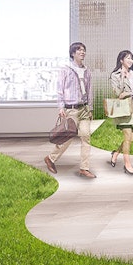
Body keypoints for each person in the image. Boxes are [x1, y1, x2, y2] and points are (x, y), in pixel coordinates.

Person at [45, 41, 95, 179]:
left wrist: (90, 108)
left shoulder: (87, 71)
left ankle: (84, 168)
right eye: (79, 50)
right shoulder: (65, 69)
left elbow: (90, 90)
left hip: (84, 109)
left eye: (84, 50)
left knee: (86, 137)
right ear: (73, 53)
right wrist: (60, 107)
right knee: (67, 138)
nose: (82, 52)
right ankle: (50, 158)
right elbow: (59, 90)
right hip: (70, 109)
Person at [108, 49, 133, 176]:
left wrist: (130, 93)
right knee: (127, 137)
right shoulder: (115, 75)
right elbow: (118, 93)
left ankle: (116, 153)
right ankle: (127, 164)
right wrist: (123, 79)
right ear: (121, 60)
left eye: (131, 58)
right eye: (127, 58)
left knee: (131, 138)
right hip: (123, 109)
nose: (130, 60)